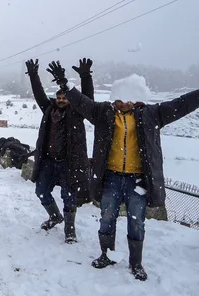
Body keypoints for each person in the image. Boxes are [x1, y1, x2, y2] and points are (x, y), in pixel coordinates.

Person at [45, 62, 199, 281]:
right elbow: (81, 102)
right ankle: (106, 255)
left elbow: (181, 104)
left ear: (134, 98)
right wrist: (64, 83)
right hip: (111, 178)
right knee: (107, 218)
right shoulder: (103, 113)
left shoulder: (151, 114)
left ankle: (136, 264)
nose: (121, 102)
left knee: (136, 222)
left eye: (126, 98)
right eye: (118, 97)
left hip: (138, 181)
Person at [24, 58, 94, 244]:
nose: (61, 100)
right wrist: (33, 74)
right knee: (41, 191)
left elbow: (88, 99)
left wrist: (85, 76)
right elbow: (39, 93)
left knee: (68, 197)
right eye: (59, 98)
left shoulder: (77, 112)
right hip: (48, 161)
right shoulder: (48, 110)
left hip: (69, 163)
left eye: (65, 98)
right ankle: (55, 216)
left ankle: (69, 230)